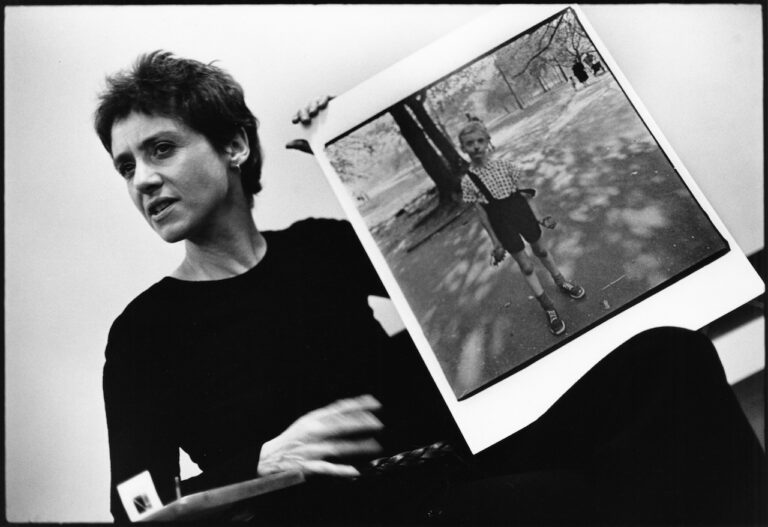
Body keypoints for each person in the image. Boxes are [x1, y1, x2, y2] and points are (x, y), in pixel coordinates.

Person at [97, 51, 765, 524]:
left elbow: (420, 285)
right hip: (363, 513)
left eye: (161, 149)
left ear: (235, 146)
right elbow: (136, 507)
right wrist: (260, 460)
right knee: (560, 502)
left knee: (669, 360)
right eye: (126, 164)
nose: (141, 180)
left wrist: (338, 148)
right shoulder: (143, 333)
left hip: (455, 456)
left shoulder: (321, 245)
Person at [458, 121, 584, 336]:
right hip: (500, 222)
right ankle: (548, 307)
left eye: (480, 141)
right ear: (463, 148)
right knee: (526, 266)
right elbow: (482, 214)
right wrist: (495, 242)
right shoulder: (468, 181)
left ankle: (561, 282)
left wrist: (540, 217)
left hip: (521, 212)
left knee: (541, 251)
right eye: (470, 143)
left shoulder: (505, 166)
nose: (476, 146)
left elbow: (525, 194)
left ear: (489, 141)